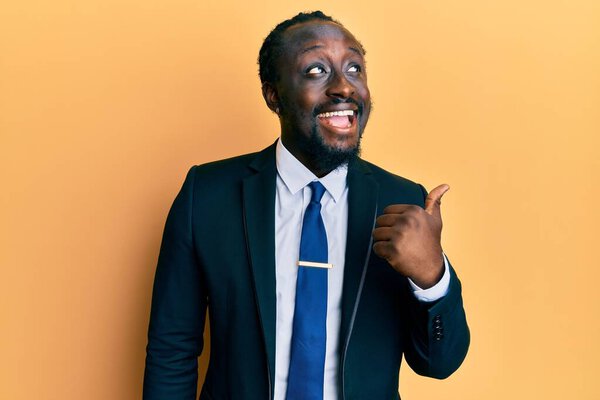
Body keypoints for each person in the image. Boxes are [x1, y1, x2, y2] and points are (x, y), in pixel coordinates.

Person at [143, 11, 469, 400]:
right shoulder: (208, 194)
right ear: (273, 94)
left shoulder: (404, 202)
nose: (344, 88)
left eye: (354, 68)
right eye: (317, 70)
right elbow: (172, 349)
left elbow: (439, 364)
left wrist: (431, 276)